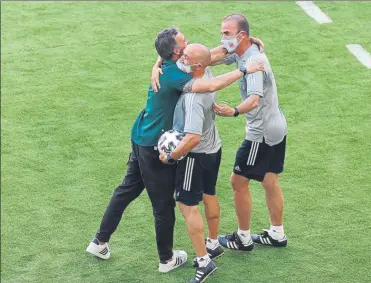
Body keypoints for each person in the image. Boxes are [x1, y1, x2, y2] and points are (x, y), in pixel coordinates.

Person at [85, 27, 264, 273]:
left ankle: (99, 241)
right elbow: (210, 85)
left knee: (127, 189)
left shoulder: (170, 66)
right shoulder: (176, 75)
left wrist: (240, 44)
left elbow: (204, 57)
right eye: (184, 42)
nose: (188, 43)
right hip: (153, 147)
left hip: (140, 135)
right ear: (179, 53)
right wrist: (244, 69)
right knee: (163, 206)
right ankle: (166, 259)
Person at [212, 13, 289, 251]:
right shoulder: (244, 51)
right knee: (269, 180)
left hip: (261, 133)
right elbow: (209, 58)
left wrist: (233, 111)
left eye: (227, 33)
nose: (223, 38)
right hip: (277, 125)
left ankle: (242, 238)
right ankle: (277, 233)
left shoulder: (253, 62)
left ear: (241, 35)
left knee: (238, 181)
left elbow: (254, 100)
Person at [159, 43, 228, 283]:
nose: (181, 56)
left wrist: (171, 155)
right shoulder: (206, 71)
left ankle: (203, 260)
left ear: (197, 66)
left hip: (195, 156)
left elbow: (192, 138)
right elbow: (215, 54)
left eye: (186, 56)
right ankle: (213, 243)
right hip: (214, 148)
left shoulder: (193, 99)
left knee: (188, 205)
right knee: (209, 193)